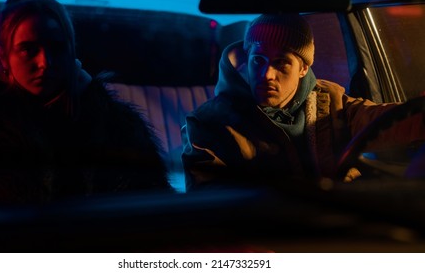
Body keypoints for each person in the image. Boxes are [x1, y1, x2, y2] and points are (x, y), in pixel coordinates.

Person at [0, 0, 171, 205]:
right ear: (4, 57)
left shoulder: (117, 129)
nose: (45, 62)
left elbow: (154, 208)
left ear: (71, 53)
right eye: (28, 49)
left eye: (57, 47)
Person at [181, 14, 425, 190]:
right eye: (259, 61)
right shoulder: (209, 123)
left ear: (303, 68)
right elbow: (211, 202)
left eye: (281, 63)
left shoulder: (331, 102)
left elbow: (386, 121)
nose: (267, 74)